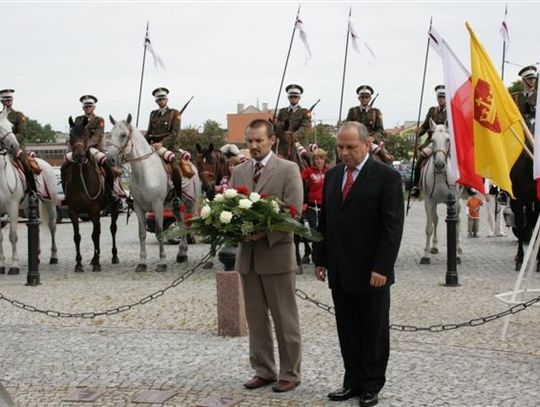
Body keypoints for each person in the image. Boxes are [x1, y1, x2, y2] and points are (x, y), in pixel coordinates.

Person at [313, 121, 404, 407]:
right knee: (347, 329)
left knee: (373, 330)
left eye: (351, 147)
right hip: (340, 269)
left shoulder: (386, 177)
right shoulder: (333, 175)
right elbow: (325, 220)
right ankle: (351, 381)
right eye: (340, 147)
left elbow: (393, 227)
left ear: (366, 144)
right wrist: (320, 258)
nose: (344, 153)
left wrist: (383, 267)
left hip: (371, 271)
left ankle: (371, 384)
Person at [230, 119, 303, 393]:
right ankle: (263, 369)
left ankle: (290, 372)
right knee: (256, 318)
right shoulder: (239, 172)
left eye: (259, 140)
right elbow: (233, 207)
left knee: (285, 318)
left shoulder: (288, 169)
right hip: (247, 258)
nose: (254, 146)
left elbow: (293, 213)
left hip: (276, 255)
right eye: (249, 141)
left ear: (272, 140)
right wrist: (233, 229)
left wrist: (263, 234)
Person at [62, 95, 120, 202]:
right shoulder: (78, 119)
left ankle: (110, 192)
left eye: (90, 106)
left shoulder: (99, 120)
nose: (88, 108)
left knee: (106, 165)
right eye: (86, 106)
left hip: (94, 148)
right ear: (83, 108)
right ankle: (67, 194)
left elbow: (97, 136)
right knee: (64, 166)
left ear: (94, 107)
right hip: (79, 149)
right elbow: (75, 134)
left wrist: (86, 145)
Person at [146, 87, 183, 202]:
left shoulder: (174, 113)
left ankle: (178, 195)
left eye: (163, 99)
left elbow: (174, 134)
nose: (162, 101)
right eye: (159, 99)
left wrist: (162, 144)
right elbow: (149, 132)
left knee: (175, 166)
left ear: (167, 100)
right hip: (153, 147)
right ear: (156, 101)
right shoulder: (153, 114)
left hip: (170, 147)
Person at [410, 85, 448, 197]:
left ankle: (466, 185)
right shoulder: (432, 110)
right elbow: (426, 125)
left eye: (443, 97)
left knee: (460, 158)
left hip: (447, 141)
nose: (441, 99)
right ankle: (416, 185)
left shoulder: (452, 110)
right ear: (437, 98)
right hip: (433, 142)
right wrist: (419, 131)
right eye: (439, 97)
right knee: (420, 159)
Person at [0, 89, 37, 192]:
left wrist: (10, 142)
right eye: (6, 100)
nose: (8, 102)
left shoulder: (18, 115)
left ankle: (32, 192)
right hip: (2, 149)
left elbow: (22, 133)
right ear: (2, 101)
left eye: (10, 99)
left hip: (16, 148)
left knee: (26, 163)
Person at [345, 85, 392, 163]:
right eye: (362, 97)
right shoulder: (353, 111)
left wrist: (372, 138)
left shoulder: (376, 112)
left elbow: (380, 130)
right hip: (355, 140)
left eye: (366, 97)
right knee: (339, 150)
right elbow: (347, 126)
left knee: (385, 158)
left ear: (370, 98)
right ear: (359, 98)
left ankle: (389, 171)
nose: (364, 99)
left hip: (370, 141)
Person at [300, 148, 330, 263]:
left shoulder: (329, 172)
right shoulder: (308, 171)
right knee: (314, 233)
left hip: (326, 208)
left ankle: (324, 256)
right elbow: (298, 179)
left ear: (325, 159)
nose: (318, 161)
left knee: (325, 233)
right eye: (316, 159)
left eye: (321, 158)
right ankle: (316, 256)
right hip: (312, 207)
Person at [276, 84, 312, 148]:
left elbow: (304, 128)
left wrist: (293, 136)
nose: (293, 98)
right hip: (284, 143)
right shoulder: (282, 111)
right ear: (288, 98)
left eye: (295, 96)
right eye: (291, 96)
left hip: (300, 143)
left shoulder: (305, 112)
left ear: (299, 98)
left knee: (307, 156)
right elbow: (278, 126)